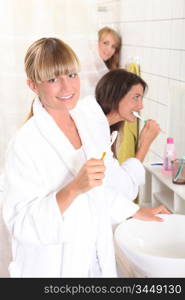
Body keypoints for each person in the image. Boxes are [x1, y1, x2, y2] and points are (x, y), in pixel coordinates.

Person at [2, 37, 170, 278]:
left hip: (94, 259)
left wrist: (134, 211)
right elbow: (21, 225)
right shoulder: (25, 144)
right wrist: (72, 189)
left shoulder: (85, 123)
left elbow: (97, 191)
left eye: (71, 75)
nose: (67, 87)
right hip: (54, 269)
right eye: (52, 79)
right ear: (32, 85)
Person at [95, 68, 160, 162]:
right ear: (116, 95)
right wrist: (145, 145)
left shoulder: (110, 131)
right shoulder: (95, 131)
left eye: (141, 99)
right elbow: (120, 177)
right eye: (136, 97)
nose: (141, 106)